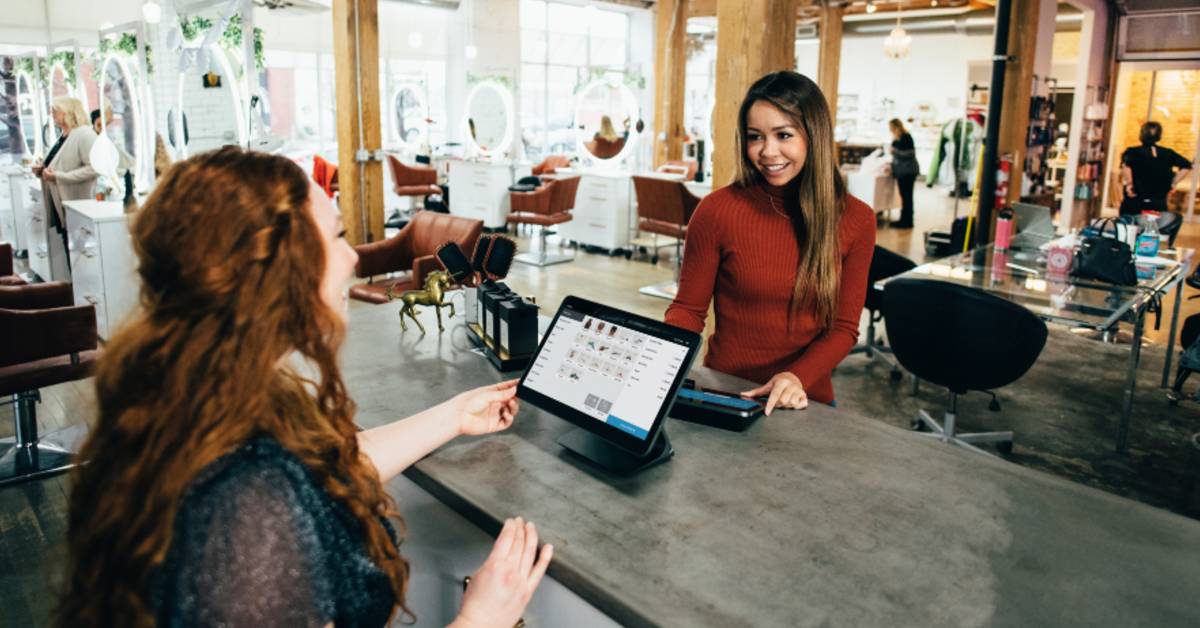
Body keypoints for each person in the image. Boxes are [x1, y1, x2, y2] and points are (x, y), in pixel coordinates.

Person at [56, 147, 552, 627]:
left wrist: (454, 415)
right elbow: (281, 486)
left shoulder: (200, 393)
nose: (352, 258)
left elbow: (324, 467)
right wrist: (481, 616)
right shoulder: (246, 514)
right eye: (336, 236)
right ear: (278, 269)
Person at [665, 71, 876, 413]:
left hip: (805, 400)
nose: (767, 151)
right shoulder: (717, 211)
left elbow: (843, 328)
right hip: (726, 392)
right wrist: (658, 361)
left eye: (783, 135)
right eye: (755, 137)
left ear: (814, 135)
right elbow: (688, 311)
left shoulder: (856, 219)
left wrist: (795, 377)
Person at [37, 97, 97, 247]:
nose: (53, 115)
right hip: (60, 201)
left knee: (77, 249)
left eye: (56, 111)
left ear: (69, 113)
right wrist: (42, 169)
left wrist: (59, 177)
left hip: (76, 202)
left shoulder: (84, 134)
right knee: (67, 244)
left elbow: (93, 168)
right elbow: (57, 163)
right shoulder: (64, 135)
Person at [1120, 121, 1193, 216]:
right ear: (1159, 136)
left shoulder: (1132, 152)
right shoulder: (1168, 153)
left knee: (1129, 227)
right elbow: (1187, 165)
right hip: (1158, 202)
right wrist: (1173, 183)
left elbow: (1126, 167)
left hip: (1136, 200)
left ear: (1142, 134)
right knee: (1156, 227)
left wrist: (1130, 185)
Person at [888, 118, 919, 228]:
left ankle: (907, 221)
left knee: (907, 197)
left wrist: (895, 152)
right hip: (902, 172)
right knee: (905, 197)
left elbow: (910, 154)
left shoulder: (906, 137)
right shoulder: (898, 138)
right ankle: (904, 219)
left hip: (908, 172)